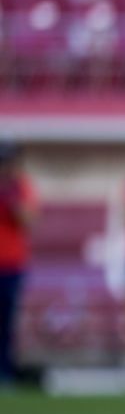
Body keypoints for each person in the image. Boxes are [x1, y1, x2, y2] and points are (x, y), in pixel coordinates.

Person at [0, 142, 36, 386]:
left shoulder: (22, 187)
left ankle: (6, 370)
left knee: (7, 320)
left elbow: (29, 221)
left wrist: (11, 199)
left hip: (12, 263)